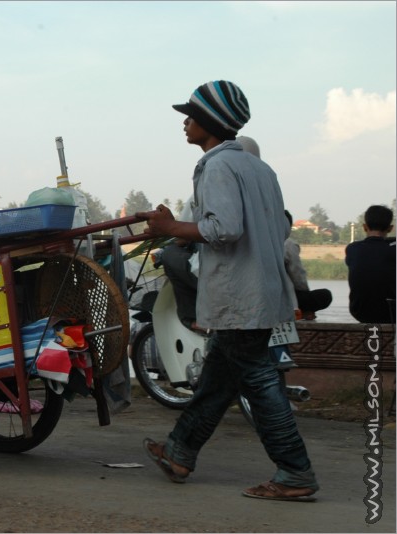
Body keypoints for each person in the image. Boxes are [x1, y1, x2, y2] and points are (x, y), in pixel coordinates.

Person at [136, 81, 319, 501]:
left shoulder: (216, 166)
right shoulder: (260, 167)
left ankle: (295, 471)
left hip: (239, 293)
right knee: (219, 380)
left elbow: (225, 229)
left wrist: (170, 229)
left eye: (191, 115)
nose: (185, 122)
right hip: (262, 290)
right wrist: (175, 227)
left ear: (210, 123)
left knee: (258, 380)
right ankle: (179, 452)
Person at [159, 135, 261, 331]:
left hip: (228, 280)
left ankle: (192, 318)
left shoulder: (215, 175)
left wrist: (169, 228)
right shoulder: (266, 180)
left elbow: (219, 230)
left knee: (171, 255)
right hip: (262, 282)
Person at [345, 205, 396, 324]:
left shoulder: (352, 249)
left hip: (359, 311)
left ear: (364, 227)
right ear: (390, 228)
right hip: (390, 312)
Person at [283, 210, 332, 320]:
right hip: (285, 298)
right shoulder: (288, 243)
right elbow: (297, 275)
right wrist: (306, 294)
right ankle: (304, 311)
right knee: (325, 295)